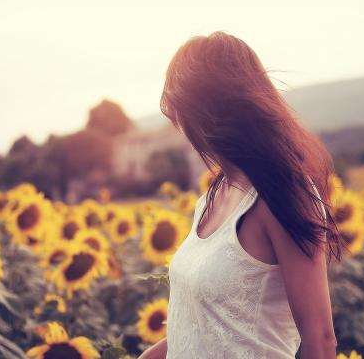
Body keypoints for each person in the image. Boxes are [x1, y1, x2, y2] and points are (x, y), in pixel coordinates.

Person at [139, 31, 345, 359]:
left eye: (182, 114)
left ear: (209, 113)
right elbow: (206, 322)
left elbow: (320, 340)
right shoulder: (212, 197)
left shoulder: (283, 195)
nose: (180, 129)